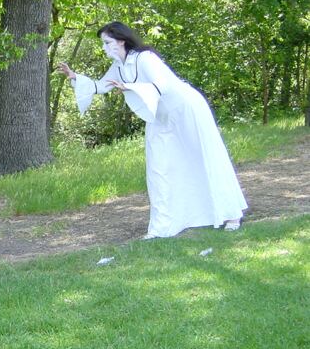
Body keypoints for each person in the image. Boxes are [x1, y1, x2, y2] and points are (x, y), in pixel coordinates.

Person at [56, 21, 247, 239]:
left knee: (206, 156)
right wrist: (75, 77)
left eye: (107, 42)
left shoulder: (145, 58)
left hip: (185, 109)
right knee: (159, 167)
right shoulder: (119, 66)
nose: (104, 47)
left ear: (121, 41)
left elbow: (162, 84)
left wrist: (130, 87)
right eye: (103, 43)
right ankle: (163, 226)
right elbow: (101, 86)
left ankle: (232, 214)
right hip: (159, 116)